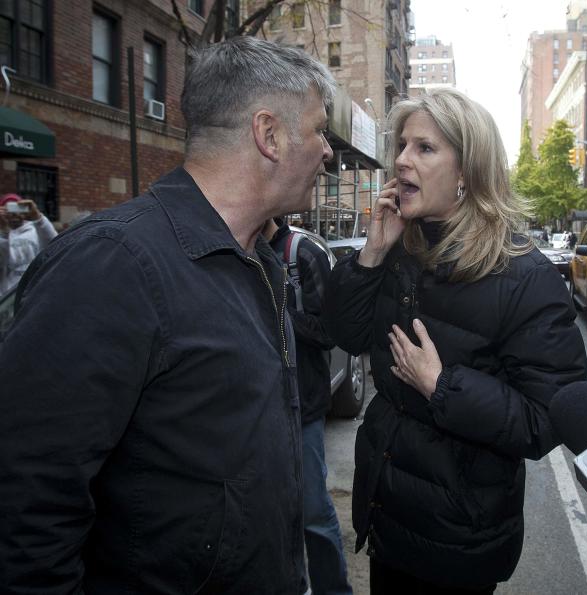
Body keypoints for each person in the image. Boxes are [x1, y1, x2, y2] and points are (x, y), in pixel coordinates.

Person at [0, 36, 336, 592]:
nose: (327, 151)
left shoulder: (259, 263)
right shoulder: (113, 264)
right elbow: (26, 504)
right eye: (320, 129)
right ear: (269, 135)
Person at [323, 88, 587, 594]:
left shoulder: (525, 276)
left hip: (458, 543)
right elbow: (346, 335)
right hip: (387, 517)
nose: (401, 160)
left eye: (424, 148)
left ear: (467, 172)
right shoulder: (403, 248)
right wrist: (372, 253)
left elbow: (546, 421)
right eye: (402, 145)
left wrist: (442, 385)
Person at [263, 217, 352, 595]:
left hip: (302, 404)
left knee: (313, 511)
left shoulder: (302, 252)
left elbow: (331, 331)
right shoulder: (235, 248)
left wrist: (276, 316)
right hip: (257, 408)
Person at [0, 194, 57, 295]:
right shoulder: (2, 235)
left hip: (35, 290)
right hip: (8, 296)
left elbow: (55, 244)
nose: (14, 214)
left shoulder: (35, 230)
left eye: (17, 208)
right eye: (9, 209)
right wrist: (3, 231)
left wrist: (38, 217)